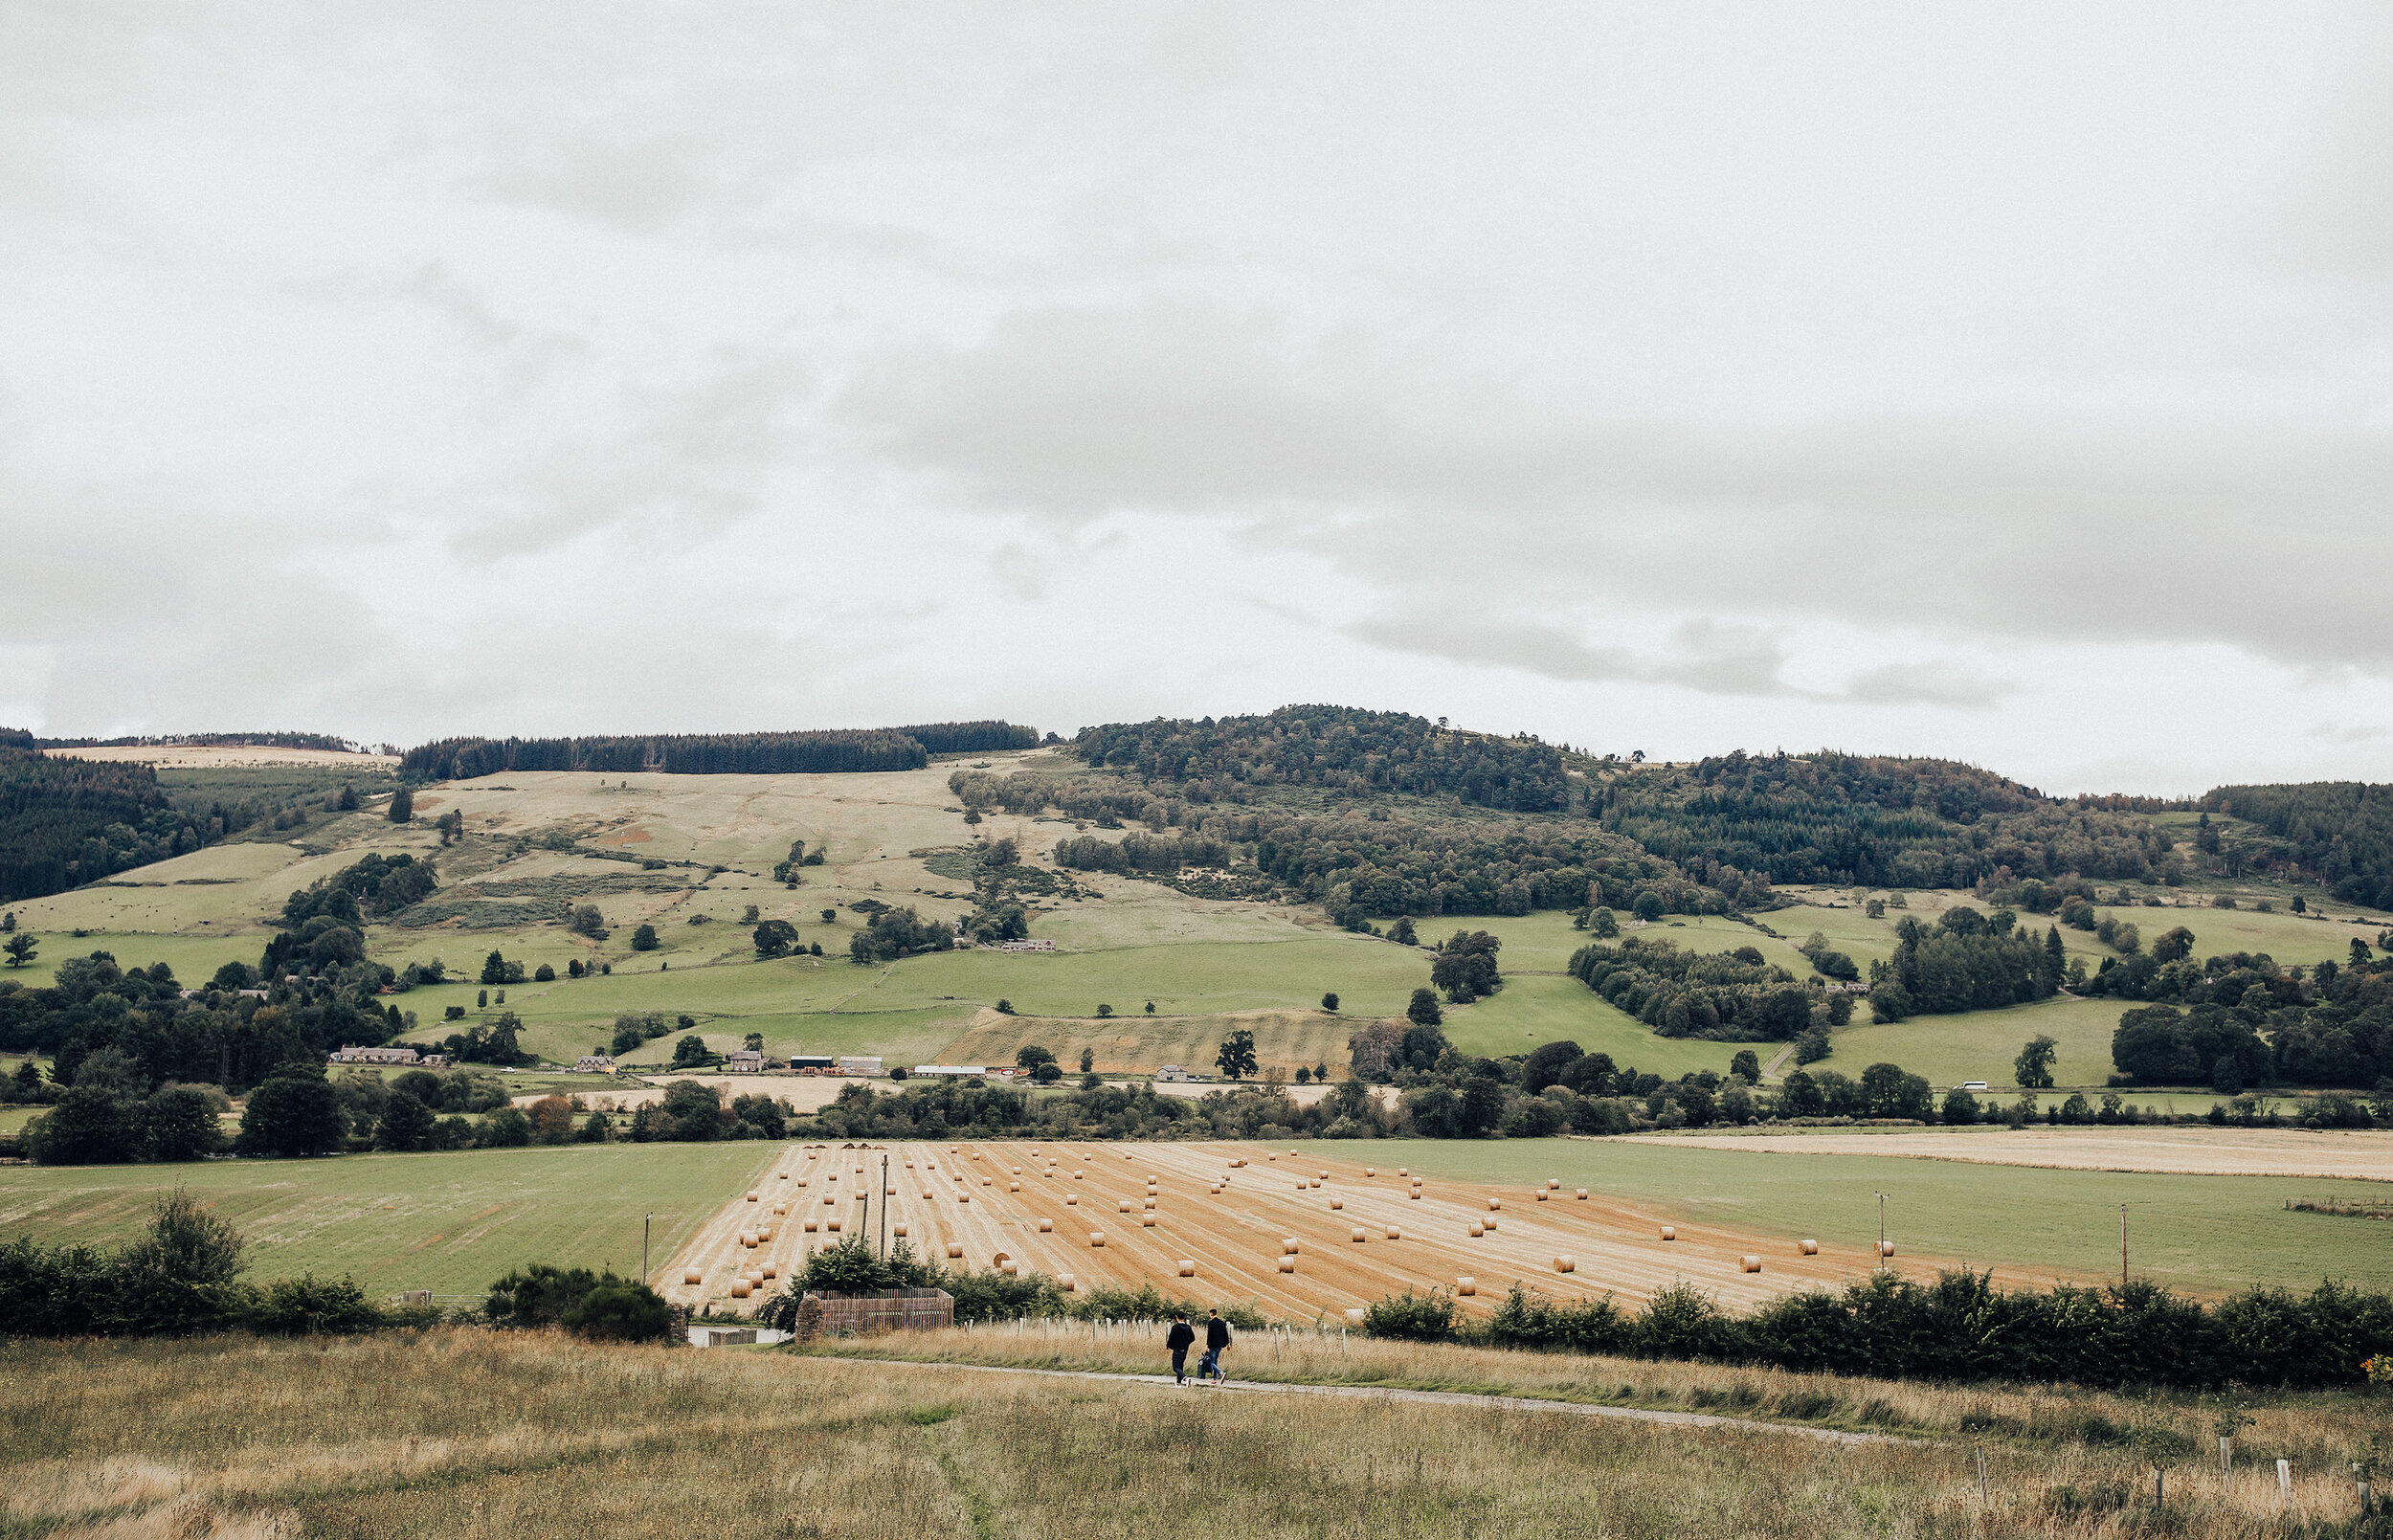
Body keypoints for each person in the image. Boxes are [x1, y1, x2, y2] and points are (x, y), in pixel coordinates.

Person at [1197, 1307, 1231, 1385]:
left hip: (1212, 1345)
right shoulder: (1222, 1322)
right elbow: (1225, 1334)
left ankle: (1220, 1372)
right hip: (1220, 1345)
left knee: (1211, 1362)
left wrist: (1207, 1346)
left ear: (1210, 1314)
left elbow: (1209, 1335)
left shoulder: (1211, 1323)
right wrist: (1228, 1344)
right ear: (1216, 1313)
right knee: (1215, 1361)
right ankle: (1214, 1379)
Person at [1165, 1311, 1195, 1383]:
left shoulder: (1175, 1327)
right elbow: (1193, 1338)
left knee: (1175, 1367)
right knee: (1180, 1365)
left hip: (1177, 1349)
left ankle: (1185, 1378)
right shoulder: (1188, 1327)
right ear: (1184, 1318)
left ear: (1177, 1318)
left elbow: (1171, 1337)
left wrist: (1168, 1345)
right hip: (1185, 1349)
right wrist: (1186, 1343)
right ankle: (1178, 1381)